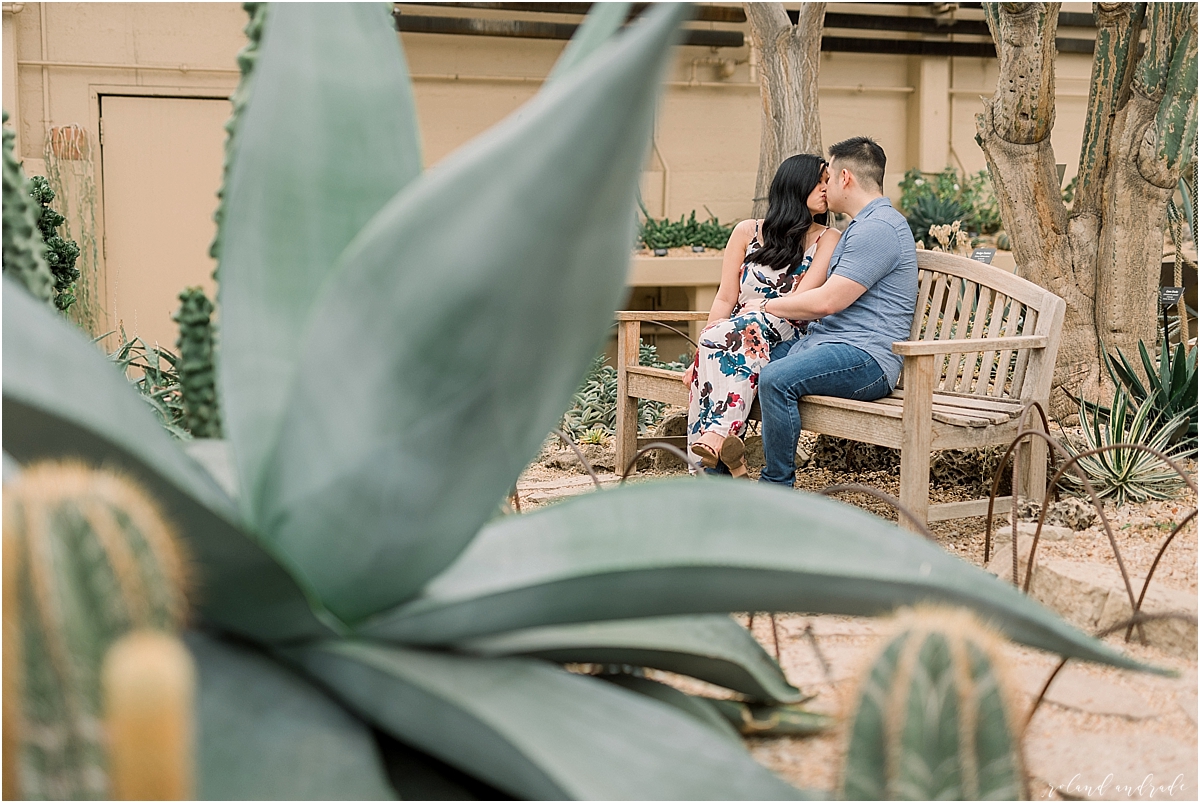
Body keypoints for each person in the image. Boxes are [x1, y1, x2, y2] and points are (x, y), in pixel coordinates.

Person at [755, 136, 918, 487]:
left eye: (827, 177)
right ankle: (719, 468)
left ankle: (775, 490)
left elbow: (828, 302)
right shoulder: (859, 227)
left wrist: (765, 305)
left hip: (866, 357)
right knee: (746, 359)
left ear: (845, 178)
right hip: (828, 346)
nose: (824, 186)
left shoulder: (880, 229)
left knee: (776, 379)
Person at [683, 153, 840, 478]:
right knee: (719, 336)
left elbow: (800, 301)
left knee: (731, 334)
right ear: (796, 185)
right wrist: (701, 354)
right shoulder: (746, 232)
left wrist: (714, 345)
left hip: (787, 336)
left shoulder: (828, 239)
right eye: (820, 181)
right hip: (740, 340)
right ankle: (728, 456)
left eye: (829, 182)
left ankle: (717, 439)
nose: (827, 189)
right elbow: (726, 297)